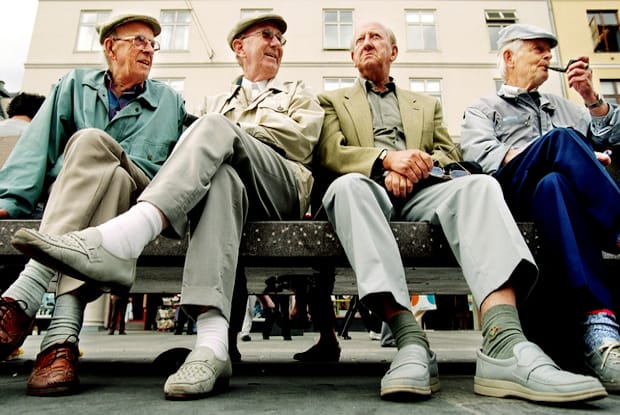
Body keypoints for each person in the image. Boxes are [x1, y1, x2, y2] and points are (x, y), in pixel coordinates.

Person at [11, 13, 323, 401]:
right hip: (232, 196)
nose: (277, 43)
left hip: (280, 185)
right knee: (220, 175)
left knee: (213, 131)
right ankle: (212, 345)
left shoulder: (298, 93)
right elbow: (189, 157)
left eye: (280, 39)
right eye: (268, 36)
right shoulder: (214, 101)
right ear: (239, 47)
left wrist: (229, 132)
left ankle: (121, 240)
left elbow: (300, 141)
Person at [313, 21, 607, 403]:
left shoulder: (426, 104)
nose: (367, 43)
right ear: (352, 57)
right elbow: (330, 155)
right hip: (368, 188)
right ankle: (409, 344)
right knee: (346, 188)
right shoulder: (330, 102)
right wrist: (386, 161)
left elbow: (451, 156)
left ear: (394, 53)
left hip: (423, 191)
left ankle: (505, 342)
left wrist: (417, 166)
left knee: (480, 185)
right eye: (360, 40)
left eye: (376, 38)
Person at [0, 13, 187, 397]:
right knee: (108, 175)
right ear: (110, 46)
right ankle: (60, 342)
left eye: (153, 44)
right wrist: (12, 199)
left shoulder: (169, 100)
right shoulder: (73, 84)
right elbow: (39, 142)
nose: (149, 49)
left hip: (139, 199)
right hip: (93, 197)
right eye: (138, 41)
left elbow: (177, 165)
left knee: (92, 144)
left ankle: (25, 292)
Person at [460, 23, 620, 393]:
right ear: (509, 57)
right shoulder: (484, 107)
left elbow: (611, 142)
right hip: (509, 191)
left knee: (555, 183)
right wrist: (555, 154)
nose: (549, 57)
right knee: (560, 145)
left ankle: (599, 328)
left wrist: (590, 97)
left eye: (550, 50)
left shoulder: (568, 107)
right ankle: (616, 227)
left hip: (558, 198)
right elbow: (481, 155)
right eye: (538, 49)